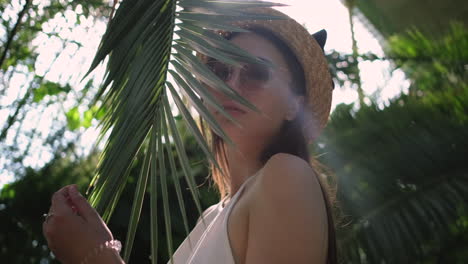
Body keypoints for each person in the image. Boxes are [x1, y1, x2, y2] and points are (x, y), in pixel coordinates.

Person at [42, 7, 336, 264]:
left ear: (294, 106)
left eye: (256, 71)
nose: (231, 83)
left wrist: (96, 257)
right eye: (218, 70)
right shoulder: (209, 217)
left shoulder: (287, 174)